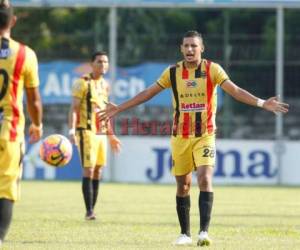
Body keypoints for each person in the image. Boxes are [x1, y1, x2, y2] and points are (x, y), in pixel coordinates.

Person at [98, 31, 289, 246]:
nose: (190, 50)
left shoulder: (212, 70)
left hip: (205, 135)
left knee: (205, 178)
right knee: (183, 185)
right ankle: (185, 234)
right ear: (181, 49)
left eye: (194, 46)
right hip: (180, 136)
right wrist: (120, 108)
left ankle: (204, 232)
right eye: (186, 46)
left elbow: (235, 90)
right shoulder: (172, 72)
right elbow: (148, 93)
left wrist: (262, 103)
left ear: (202, 48)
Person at [0, 0, 43, 246]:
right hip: (8, 127)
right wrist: (37, 125)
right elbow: (34, 101)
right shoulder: (25, 54)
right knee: (6, 185)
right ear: (13, 21)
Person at [68, 51, 121, 220]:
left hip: (101, 134)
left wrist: (111, 135)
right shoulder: (82, 83)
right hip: (86, 131)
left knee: (98, 170)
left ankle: (92, 209)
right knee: (89, 169)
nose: (103, 65)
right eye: (99, 62)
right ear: (92, 64)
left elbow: (105, 113)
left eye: (105, 62)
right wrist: (72, 130)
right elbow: (74, 109)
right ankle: (89, 211)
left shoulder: (105, 85)